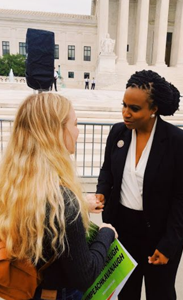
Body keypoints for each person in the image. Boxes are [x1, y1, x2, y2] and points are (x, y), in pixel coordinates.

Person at [0, 93, 118, 300]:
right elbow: (85, 275)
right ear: (56, 132)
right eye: (75, 124)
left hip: (26, 291)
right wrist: (106, 235)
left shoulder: (11, 183)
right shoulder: (62, 200)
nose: (78, 132)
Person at [96, 70, 183, 300]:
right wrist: (102, 192)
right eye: (124, 105)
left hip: (160, 234)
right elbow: (107, 170)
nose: (126, 113)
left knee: (160, 292)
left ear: (154, 109)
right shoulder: (118, 132)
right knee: (126, 292)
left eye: (134, 108)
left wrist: (169, 244)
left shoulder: (178, 142)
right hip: (123, 230)